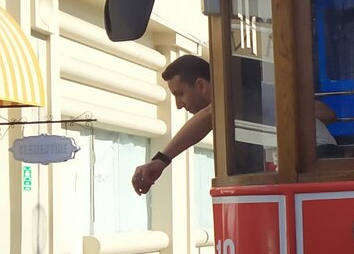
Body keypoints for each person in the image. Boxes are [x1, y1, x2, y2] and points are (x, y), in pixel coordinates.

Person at [132, 55, 339, 195]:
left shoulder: (231, 96)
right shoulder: (262, 89)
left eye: (180, 94)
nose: (178, 105)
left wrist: (161, 161)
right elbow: (327, 113)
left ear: (201, 85)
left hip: (315, 162)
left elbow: (208, 115)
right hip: (322, 159)